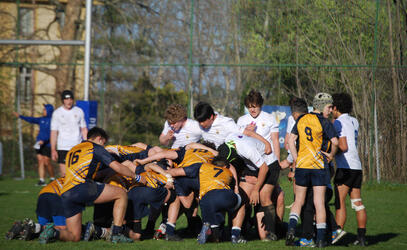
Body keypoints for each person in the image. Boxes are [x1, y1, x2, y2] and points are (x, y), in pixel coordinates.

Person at [38, 127, 146, 244]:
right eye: (103, 143)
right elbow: (117, 166)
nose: (103, 146)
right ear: (100, 139)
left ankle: (53, 232)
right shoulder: (95, 147)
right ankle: (116, 234)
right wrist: (137, 177)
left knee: (74, 236)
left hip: (66, 192)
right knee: (121, 194)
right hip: (82, 187)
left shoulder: (73, 150)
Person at [285, 93, 338, 247]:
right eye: (329, 107)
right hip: (318, 167)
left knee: (298, 201)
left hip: (302, 165)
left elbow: (290, 140)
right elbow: (335, 142)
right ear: (322, 106)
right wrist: (331, 155)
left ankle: (291, 229)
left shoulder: (301, 119)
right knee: (319, 202)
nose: (330, 110)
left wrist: (296, 159)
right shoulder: (324, 121)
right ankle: (321, 239)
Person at [236, 90, 282, 241]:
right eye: (249, 106)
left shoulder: (269, 119)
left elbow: (275, 141)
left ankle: (271, 232)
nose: (252, 109)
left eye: (255, 106)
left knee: (264, 196)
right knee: (244, 196)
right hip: (251, 167)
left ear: (260, 105)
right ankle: (241, 230)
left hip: (268, 164)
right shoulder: (241, 120)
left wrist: (278, 161)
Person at [332, 93, 367, 246]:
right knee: (357, 203)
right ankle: (361, 237)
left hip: (345, 167)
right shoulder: (354, 121)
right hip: (357, 167)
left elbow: (343, 146)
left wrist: (331, 152)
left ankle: (337, 234)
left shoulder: (338, 122)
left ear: (335, 107)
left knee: (340, 202)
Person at [193, 102, 271, 154]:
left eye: (203, 121)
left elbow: (248, 133)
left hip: (223, 158)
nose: (200, 124)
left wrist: (266, 143)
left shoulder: (225, 123)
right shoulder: (198, 125)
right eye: (199, 121)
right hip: (204, 155)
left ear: (211, 117)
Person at [13, 104, 55, 186]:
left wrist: (44, 140)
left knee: (47, 162)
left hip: (48, 144)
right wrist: (20, 116)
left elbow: (52, 134)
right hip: (39, 144)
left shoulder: (53, 121)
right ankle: (41, 180)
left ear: (49, 111)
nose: (43, 111)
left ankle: (52, 178)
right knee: (40, 161)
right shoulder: (41, 119)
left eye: (44, 110)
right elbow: (31, 119)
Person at [50, 90, 88, 176]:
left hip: (76, 146)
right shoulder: (57, 113)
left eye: (71, 99)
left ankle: (78, 189)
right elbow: (54, 132)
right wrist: (53, 149)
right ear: (63, 100)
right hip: (63, 147)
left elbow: (84, 129)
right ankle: (65, 189)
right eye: (66, 99)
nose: (69, 101)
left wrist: (87, 144)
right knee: (64, 174)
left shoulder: (79, 111)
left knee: (77, 173)